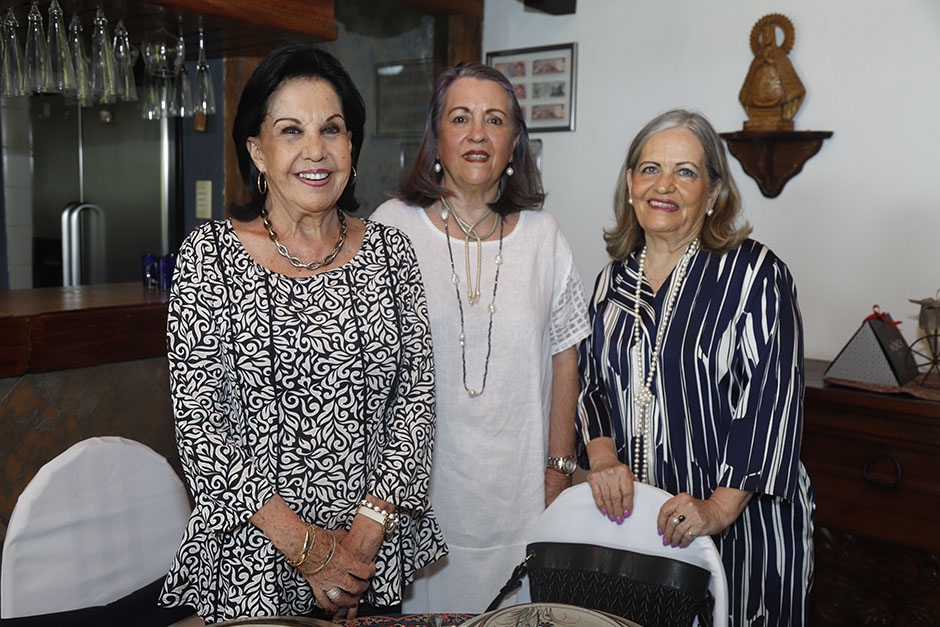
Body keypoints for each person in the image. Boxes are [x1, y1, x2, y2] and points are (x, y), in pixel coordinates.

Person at [158, 45, 446, 623]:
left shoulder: (392, 253)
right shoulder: (209, 258)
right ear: (257, 151)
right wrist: (310, 551)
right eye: (291, 131)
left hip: (368, 552)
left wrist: (363, 539)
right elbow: (204, 430)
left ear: (351, 148)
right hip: (255, 555)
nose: (315, 151)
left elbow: (414, 403)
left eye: (331, 130)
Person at [577, 109, 814, 626]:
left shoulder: (756, 275)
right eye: (649, 169)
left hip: (742, 530)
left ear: (713, 195)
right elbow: (590, 384)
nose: (664, 185)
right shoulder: (609, 283)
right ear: (630, 183)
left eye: (685, 171)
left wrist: (717, 509)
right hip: (642, 529)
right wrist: (601, 458)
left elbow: (770, 403)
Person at [371, 63, 589, 613]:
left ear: (514, 142)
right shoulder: (390, 226)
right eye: (460, 117)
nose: (477, 134)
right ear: (436, 137)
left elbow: (566, 358)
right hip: (416, 503)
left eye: (495, 120)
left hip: (519, 498)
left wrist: (559, 473)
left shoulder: (545, 236)